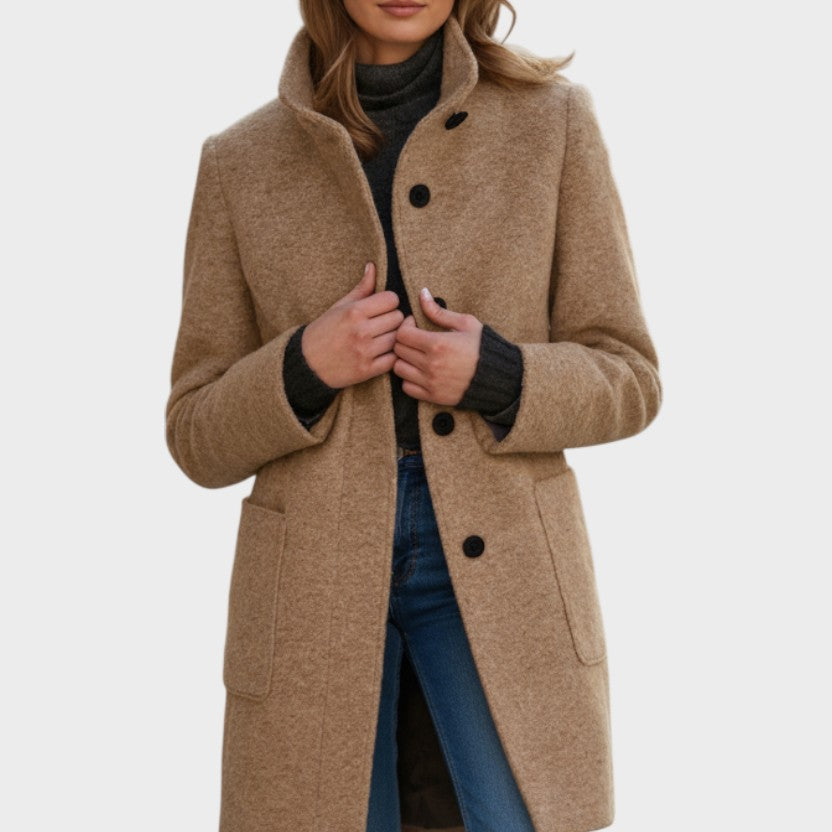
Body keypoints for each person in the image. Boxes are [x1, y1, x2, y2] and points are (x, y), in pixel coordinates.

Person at [165, 1, 662, 831]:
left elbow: (631, 376)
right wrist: (302, 366)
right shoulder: (240, 161)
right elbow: (194, 431)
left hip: (504, 563)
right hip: (311, 579)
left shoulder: (552, 124)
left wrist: (500, 374)